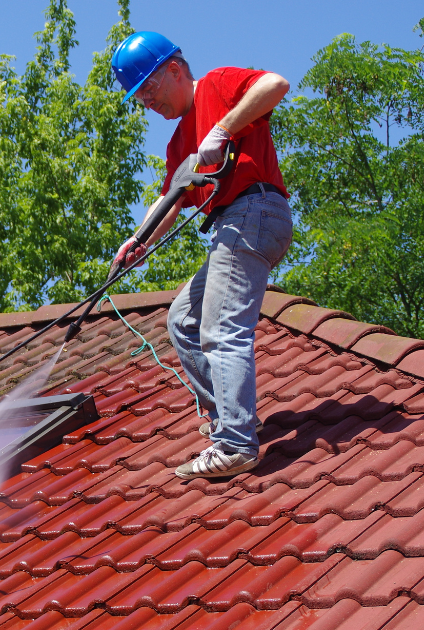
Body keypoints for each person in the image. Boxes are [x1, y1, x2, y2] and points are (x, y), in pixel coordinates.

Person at [111, 32, 293, 479]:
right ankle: (231, 418)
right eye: (139, 98)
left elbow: (275, 84)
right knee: (183, 321)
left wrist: (224, 128)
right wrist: (138, 240)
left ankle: (236, 443)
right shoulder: (179, 144)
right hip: (236, 223)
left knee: (220, 327)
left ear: (174, 70)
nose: (147, 103)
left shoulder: (216, 85)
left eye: (148, 89)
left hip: (254, 211)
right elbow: (171, 199)